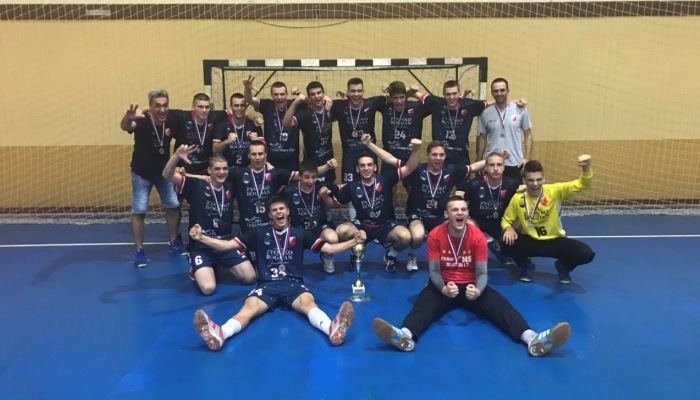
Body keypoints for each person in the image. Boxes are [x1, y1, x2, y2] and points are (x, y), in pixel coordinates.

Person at [371, 196, 571, 357]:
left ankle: (532, 338)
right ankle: (405, 335)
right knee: (423, 305)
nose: (459, 213)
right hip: (444, 284)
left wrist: (478, 290)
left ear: (467, 213)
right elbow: (434, 272)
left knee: (501, 306)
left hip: (471, 285)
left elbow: (482, 273)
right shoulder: (435, 235)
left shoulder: (476, 236)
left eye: (463, 210)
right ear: (446, 214)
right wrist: (443, 289)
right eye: (454, 210)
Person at [190, 196, 366, 351]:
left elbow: (330, 249)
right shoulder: (259, 233)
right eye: (274, 210)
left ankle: (332, 330)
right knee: (248, 309)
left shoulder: (301, 234)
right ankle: (221, 334)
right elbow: (227, 245)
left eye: (281, 208)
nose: (278, 212)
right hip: (267, 285)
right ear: (270, 215)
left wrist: (354, 241)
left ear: (288, 211)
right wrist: (201, 238)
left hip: (294, 284)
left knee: (308, 303)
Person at [162, 144, 256, 295]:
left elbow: (253, 172)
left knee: (250, 277)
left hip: (224, 243)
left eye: (224, 169)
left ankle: (217, 263)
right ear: (209, 170)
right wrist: (176, 156)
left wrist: (267, 164)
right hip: (201, 245)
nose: (221, 172)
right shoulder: (195, 186)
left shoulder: (230, 187)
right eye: (217, 169)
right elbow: (167, 175)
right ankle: (196, 266)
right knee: (208, 288)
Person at [404, 143, 509, 271]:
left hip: (441, 215)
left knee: (459, 229)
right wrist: (415, 150)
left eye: (441, 155)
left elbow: (473, 167)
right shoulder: (418, 169)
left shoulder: (451, 170)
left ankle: (450, 257)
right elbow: (407, 166)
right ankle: (412, 255)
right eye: (434, 155)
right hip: (419, 214)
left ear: (445, 156)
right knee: (418, 236)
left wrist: (499, 157)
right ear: (427, 155)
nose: (438, 158)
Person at [331, 136, 422, 272]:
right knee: (341, 231)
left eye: (369, 165)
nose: (366, 168)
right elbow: (334, 202)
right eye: (362, 165)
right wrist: (324, 193)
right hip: (362, 225)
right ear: (357, 169)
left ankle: (390, 255)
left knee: (405, 237)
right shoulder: (352, 186)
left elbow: (409, 167)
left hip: (385, 225)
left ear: (374, 167)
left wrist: (415, 150)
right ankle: (355, 253)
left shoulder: (385, 178)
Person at [501, 155, 595, 283]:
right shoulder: (518, 198)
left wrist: (586, 168)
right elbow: (506, 219)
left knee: (586, 253)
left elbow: (582, 184)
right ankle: (525, 265)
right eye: (531, 180)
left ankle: (564, 266)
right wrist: (508, 228)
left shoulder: (555, 191)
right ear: (524, 180)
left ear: (544, 178)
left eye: (539, 179)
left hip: (554, 241)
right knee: (504, 241)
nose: (535, 184)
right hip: (531, 241)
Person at [120, 89, 186, 267]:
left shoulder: (173, 119)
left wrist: (177, 164)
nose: (162, 109)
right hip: (141, 173)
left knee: (173, 206)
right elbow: (126, 127)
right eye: (157, 106)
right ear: (150, 107)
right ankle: (139, 251)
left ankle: (173, 242)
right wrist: (128, 118)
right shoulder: (141, 119)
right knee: (139, 211)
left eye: (165, 105)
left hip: (164, 173)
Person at [226, 140, 337, 234]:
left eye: (260, 154)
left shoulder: (275, 173)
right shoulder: (238, 173)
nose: (257, 157)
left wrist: (327, 167)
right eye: (254, 154)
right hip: (248, 226)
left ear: (266, 155)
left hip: (270, 227)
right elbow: (218, 175)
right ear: (248, 155)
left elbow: (303, 174)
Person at [330, 78, 387, 219]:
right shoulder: (339, 105)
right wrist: (326, 97)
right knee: (350, 187)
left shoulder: (372, 103)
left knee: (371, 185)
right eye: (353, 91)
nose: (356, 94)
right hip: (349, 154)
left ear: (363, 91)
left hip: (369, 152)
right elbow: (316, 101)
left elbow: (395, 97)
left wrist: (388, 88)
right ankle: (353, 221)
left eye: (359, 91)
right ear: (348, 92)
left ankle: (372, 219)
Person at [458, 151, 522, 265]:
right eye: (492, 165)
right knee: (466, 227)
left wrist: (526, 189)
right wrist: (457, 198)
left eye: (499, 165)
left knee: (517, 235)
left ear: (504, 167)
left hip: (500, 222)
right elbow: (459, 202)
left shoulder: (513, 184)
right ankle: (470, 257)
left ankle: (498, 248)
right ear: (486, 167)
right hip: (477, 221)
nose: (496, 168)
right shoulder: (474, 184)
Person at [410, 80, 488, 168]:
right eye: (448, 94)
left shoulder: (469, 105)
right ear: (443, 94)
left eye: (454, 93)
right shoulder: (436, 103)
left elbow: (490, 103)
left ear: (459, 93)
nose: (451, 97)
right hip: (440, 157)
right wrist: (411, 89)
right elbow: (404, 91)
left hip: (461, 158)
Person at [283, 160, 339, 274]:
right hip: (298, 230)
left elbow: (336, 197)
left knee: (333, 238)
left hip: (319, 227)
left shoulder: (321, 187)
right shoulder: (289, 191)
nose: (311, 181)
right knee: (293, 268)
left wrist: (325, 196)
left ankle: (326, 256)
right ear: (300, 176)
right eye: (307, 177)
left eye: (314, 177)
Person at [476, 78, 533, 181]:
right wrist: (479, 160)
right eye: (496, 91)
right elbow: (482, 138)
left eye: (502, 90)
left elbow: (528, 134)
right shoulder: (485, 113)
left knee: (515, 191)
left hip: (515, 163)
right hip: (492, 164)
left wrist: (527, 158)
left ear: (508, 91)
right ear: (492, 92)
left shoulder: (520, 109)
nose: (499, 93)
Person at [282, 81, 336, 183]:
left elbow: (350, 101)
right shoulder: (305, 114)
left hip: (329, 160)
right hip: (311, 162)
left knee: (329, 188)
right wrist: (295, 103)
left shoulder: (330, 108)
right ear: (309, 97)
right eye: (313, 94)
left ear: (324, 93)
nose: (316, 96)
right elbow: (285, 123)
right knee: (312, 188)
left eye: (319, 93)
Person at [243, 75, 301, 171]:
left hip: (291, 158)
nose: (279, 97)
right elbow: (249, 99)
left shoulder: (294, 105)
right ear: (271, 95)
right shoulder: (267, 105)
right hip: (272, 159)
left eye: (282, 94)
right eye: (276, 94)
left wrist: (300, 93)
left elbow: (312, 101)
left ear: (287, 94)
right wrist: (247, 88)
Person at [379, 81, 429, 179]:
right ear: (390, 98)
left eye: (402, 97)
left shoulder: (417, 108)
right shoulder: (385, 108)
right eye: (395, 98)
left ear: (406, 96)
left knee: (412, 186)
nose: (399, 101)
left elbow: (434, 102)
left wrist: (412, 92)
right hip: (389, 156)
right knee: (386, 185)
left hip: (409, 157)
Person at [171, 93, 229, 175]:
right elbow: (161, 111)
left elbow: (234, 111)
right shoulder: (182, 117)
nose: (204, 110)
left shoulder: (215, 117)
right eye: (200, 107)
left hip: (205, 171)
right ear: (193, 107)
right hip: (183, 172)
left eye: (207, 107)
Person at [212, 93, 262, 168]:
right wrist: (226, 142)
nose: (239, 108)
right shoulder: (222, 125)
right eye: (236, 105)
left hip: (248, 169)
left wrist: (258, 142)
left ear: (246, 107)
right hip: (227, 169)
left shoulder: (254, 125)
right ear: (231, 107)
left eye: (242, 105)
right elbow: (214, 149)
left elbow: (265, 149)